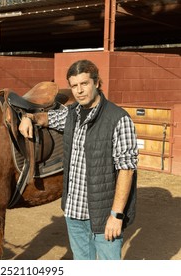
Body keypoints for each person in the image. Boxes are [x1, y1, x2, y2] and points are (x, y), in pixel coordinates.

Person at [19, 59, 138, 260]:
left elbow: (127, 170)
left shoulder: (119, 119)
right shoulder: (71, 114)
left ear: (97, 83)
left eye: (84, 84)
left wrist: (116, 215)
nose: (79, 91)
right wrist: (28, 118)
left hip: (103, 216)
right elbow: (46, 118)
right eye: (74, 86)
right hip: (74, 213)